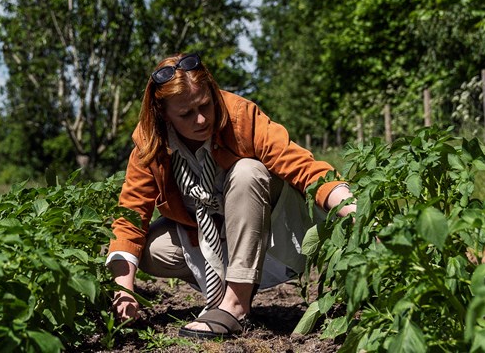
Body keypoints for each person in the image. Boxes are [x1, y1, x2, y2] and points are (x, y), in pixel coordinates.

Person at [107, 52, 356, 339]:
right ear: (163, 114)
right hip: (213, 235)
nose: (201, 120)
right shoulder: (151, 142)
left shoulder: (239, 116)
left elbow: (304, 167)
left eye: (205, 106)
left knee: (248, 171)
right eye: (186, 114)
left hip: (271, 232)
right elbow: (130, 216)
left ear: (213, 94)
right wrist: (123, 291)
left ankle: (236, 304)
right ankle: (224, 291)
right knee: (151, 249)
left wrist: (353, 210)